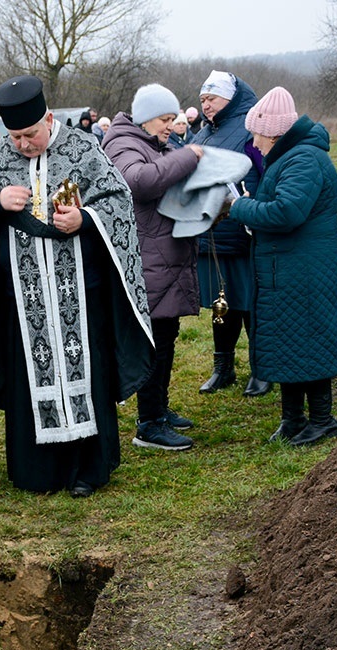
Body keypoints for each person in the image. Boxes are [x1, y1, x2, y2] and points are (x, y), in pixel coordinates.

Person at [0, 75, 154, 497]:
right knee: (30, 378)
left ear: (49, 118)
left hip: (81, 295)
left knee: (88, 372)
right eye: (15, 137)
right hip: (24, 303)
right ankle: (39, 471)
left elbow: (118, 202)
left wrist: (85, 220)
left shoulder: (84, 150)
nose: (24, 144)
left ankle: (89, 468)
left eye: (30, 134)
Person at [228, 87, 337, 446]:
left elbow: (287, 212)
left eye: (256, 133)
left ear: (272, 131)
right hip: (290, 270)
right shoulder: (290, 157)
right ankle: (293, 418)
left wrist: (239, 208)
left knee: (310, 341)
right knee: (289, 343)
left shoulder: (304, 159)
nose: (253, 141)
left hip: (306, 271)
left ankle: (323, 420)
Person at [103, 83, 203, 451]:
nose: (170, 126)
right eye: (165, 119)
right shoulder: (122, 144)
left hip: (164, 256)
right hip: (147, 259)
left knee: (166, 336)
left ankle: (159, 408)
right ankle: (148, 424)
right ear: (146, 118)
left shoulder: (153, 145)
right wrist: (187, 156)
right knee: (154, 342)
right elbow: (138, 182)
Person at [194, 70, 270, 398]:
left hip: (244, 232)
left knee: (250, 302)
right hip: (211, 233)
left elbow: (266, 173)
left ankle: (262, 368)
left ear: (230, 98)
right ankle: (223, 367)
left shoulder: (251, 127)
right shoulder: (201, 134)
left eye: (212, 98)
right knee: (221, 304)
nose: (206, 105)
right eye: (202, 100)